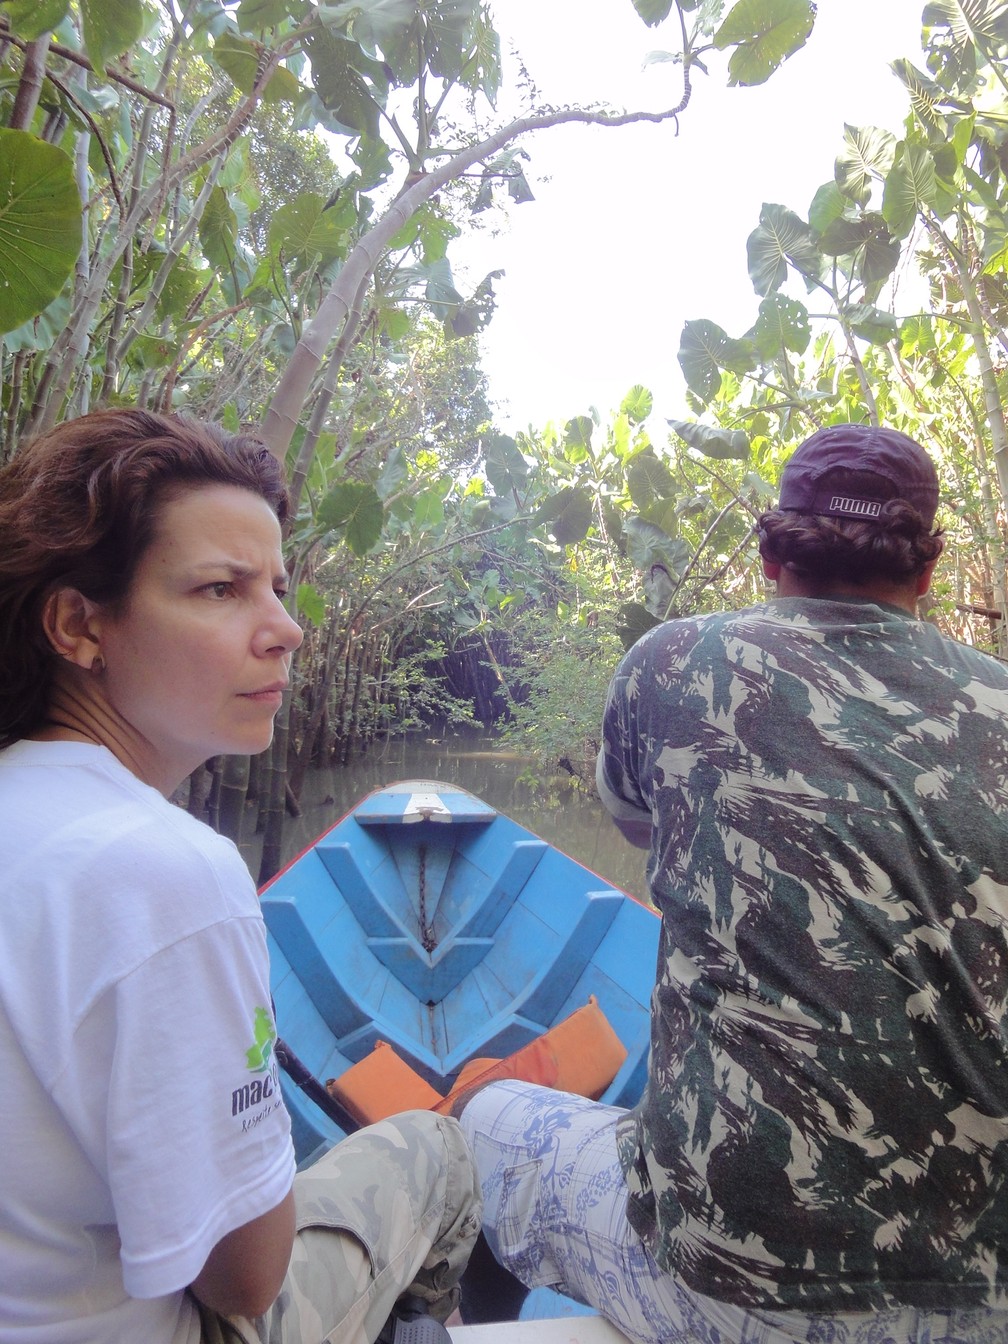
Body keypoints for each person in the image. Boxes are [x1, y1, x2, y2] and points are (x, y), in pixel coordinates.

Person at [456, 423, 1008, 1344]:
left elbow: (640, 823)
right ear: (928, 571)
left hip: (729, 1293)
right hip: (987, 1302)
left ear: (770, 554)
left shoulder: (674, 662)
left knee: (479, 1109)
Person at [0, 408, 481, 1344]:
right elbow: (245, 1282)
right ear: (77, 624)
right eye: (222, 590)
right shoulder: (168, 869)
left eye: (278, 587)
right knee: (436, 1149)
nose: (287, 631)